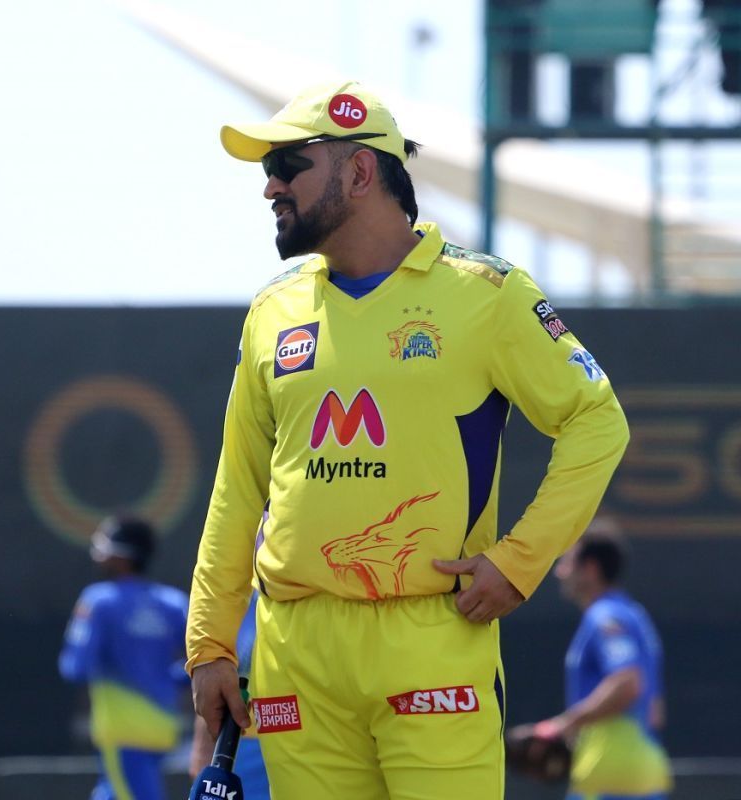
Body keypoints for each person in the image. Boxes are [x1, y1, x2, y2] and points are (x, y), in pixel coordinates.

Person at [186, 79, 631, 799]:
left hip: (433, 635)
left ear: (361, 170)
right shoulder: (273, 309)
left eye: (290, 164)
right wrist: (208, 644)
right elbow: (239, 486)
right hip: (293, 649)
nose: (270, 185)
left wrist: (518, 562)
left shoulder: (487, 293)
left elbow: (597, 420)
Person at [524, 521, 672, 799]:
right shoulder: (633, 616)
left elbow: (627, 683)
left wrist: (563, 725)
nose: (559, 572)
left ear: (590, 568)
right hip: (643, 767)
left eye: (567, 562)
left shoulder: (606, 617)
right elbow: (656, 709)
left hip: (609, 770)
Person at [59, 515, 190, 800]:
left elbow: (74, 667)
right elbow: (199, 662)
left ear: (120, 555)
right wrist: (164, 677)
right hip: (164, 729)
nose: (96, 553)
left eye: (102, 546)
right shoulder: (174, 603)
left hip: (121, 732)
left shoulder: (98, 600)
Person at [188, 592, 270, 800]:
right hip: (241, 743)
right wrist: (202, 748)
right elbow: (215, 680)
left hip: (305, 740)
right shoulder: (236, 600)